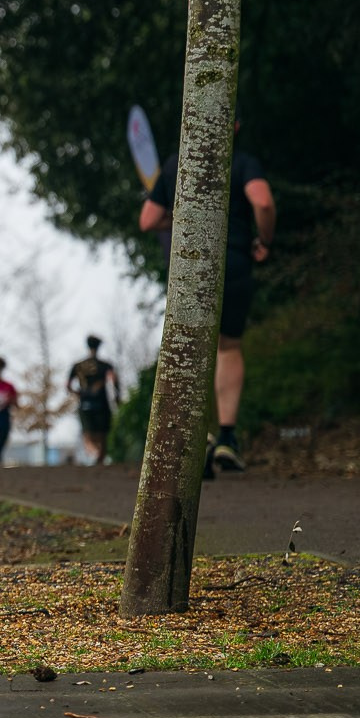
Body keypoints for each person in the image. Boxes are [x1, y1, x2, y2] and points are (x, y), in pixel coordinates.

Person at [141, 134, 274, 475]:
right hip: (233, 261)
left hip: (189, 267)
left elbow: (148, 220)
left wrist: (182, 220)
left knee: (192, 350)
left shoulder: (174, 165)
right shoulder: (243, 162)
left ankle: (195, 442)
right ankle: (227, 437)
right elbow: (263, 202)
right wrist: (263, 240)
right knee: (228, 347)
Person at [68, 336, 120, 466]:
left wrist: (77, 393)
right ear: (98, 347)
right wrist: (117, 398)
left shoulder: (78, 366)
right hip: (102, 403)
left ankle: (95, 455)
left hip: (85, 403)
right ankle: (100, 459)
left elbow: (68, 385)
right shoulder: (106, 365)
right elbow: (113, 380)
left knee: (87, 433)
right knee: (102, 434)